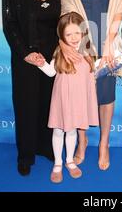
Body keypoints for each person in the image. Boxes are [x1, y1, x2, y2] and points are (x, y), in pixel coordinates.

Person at [57, 0, 122, 171]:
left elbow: (120, 4)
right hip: (77, 42)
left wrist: (109, 42)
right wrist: (68, 44)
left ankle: (104, 144)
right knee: (79, 95)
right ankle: (82, 141)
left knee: (105, 96)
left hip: (107, 40)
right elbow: (65, 9)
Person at [2, 0, 60, 176]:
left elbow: (65, 19)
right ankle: (25, 155)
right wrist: (25, 53)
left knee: (50, 104)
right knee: (26, 105)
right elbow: (9, 22)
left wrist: (62, 50)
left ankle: (46, 147)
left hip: (54, 56)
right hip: (25, 56)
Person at [38, 12, 99, 183]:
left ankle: (69, 161)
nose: (73, 38)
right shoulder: (60, 52)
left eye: (77, 33)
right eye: (68, 34)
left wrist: (110, 64)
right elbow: (51, 72)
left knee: (72, 130)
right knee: (58, 131)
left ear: (83, 32)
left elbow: (95, 72)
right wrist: (41, 63)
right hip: (62, 99)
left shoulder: (89, 52)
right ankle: (57, 164)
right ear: (62, 36)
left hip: (78, 100)